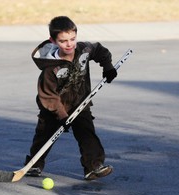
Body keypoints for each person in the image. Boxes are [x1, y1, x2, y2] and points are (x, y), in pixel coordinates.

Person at [24, 16, 117, 180]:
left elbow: (100, 51)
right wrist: (61, 115)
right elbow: (48, 96)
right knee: (44, 135)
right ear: (53, 41)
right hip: (53, 108)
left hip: (80, 103)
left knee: (87, 133)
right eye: (63, 41)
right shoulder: (49, 68)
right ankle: (34, 164)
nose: (69, 44)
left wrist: (108, 67)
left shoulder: (84, 50)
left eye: (72, 39)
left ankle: (93, 166)